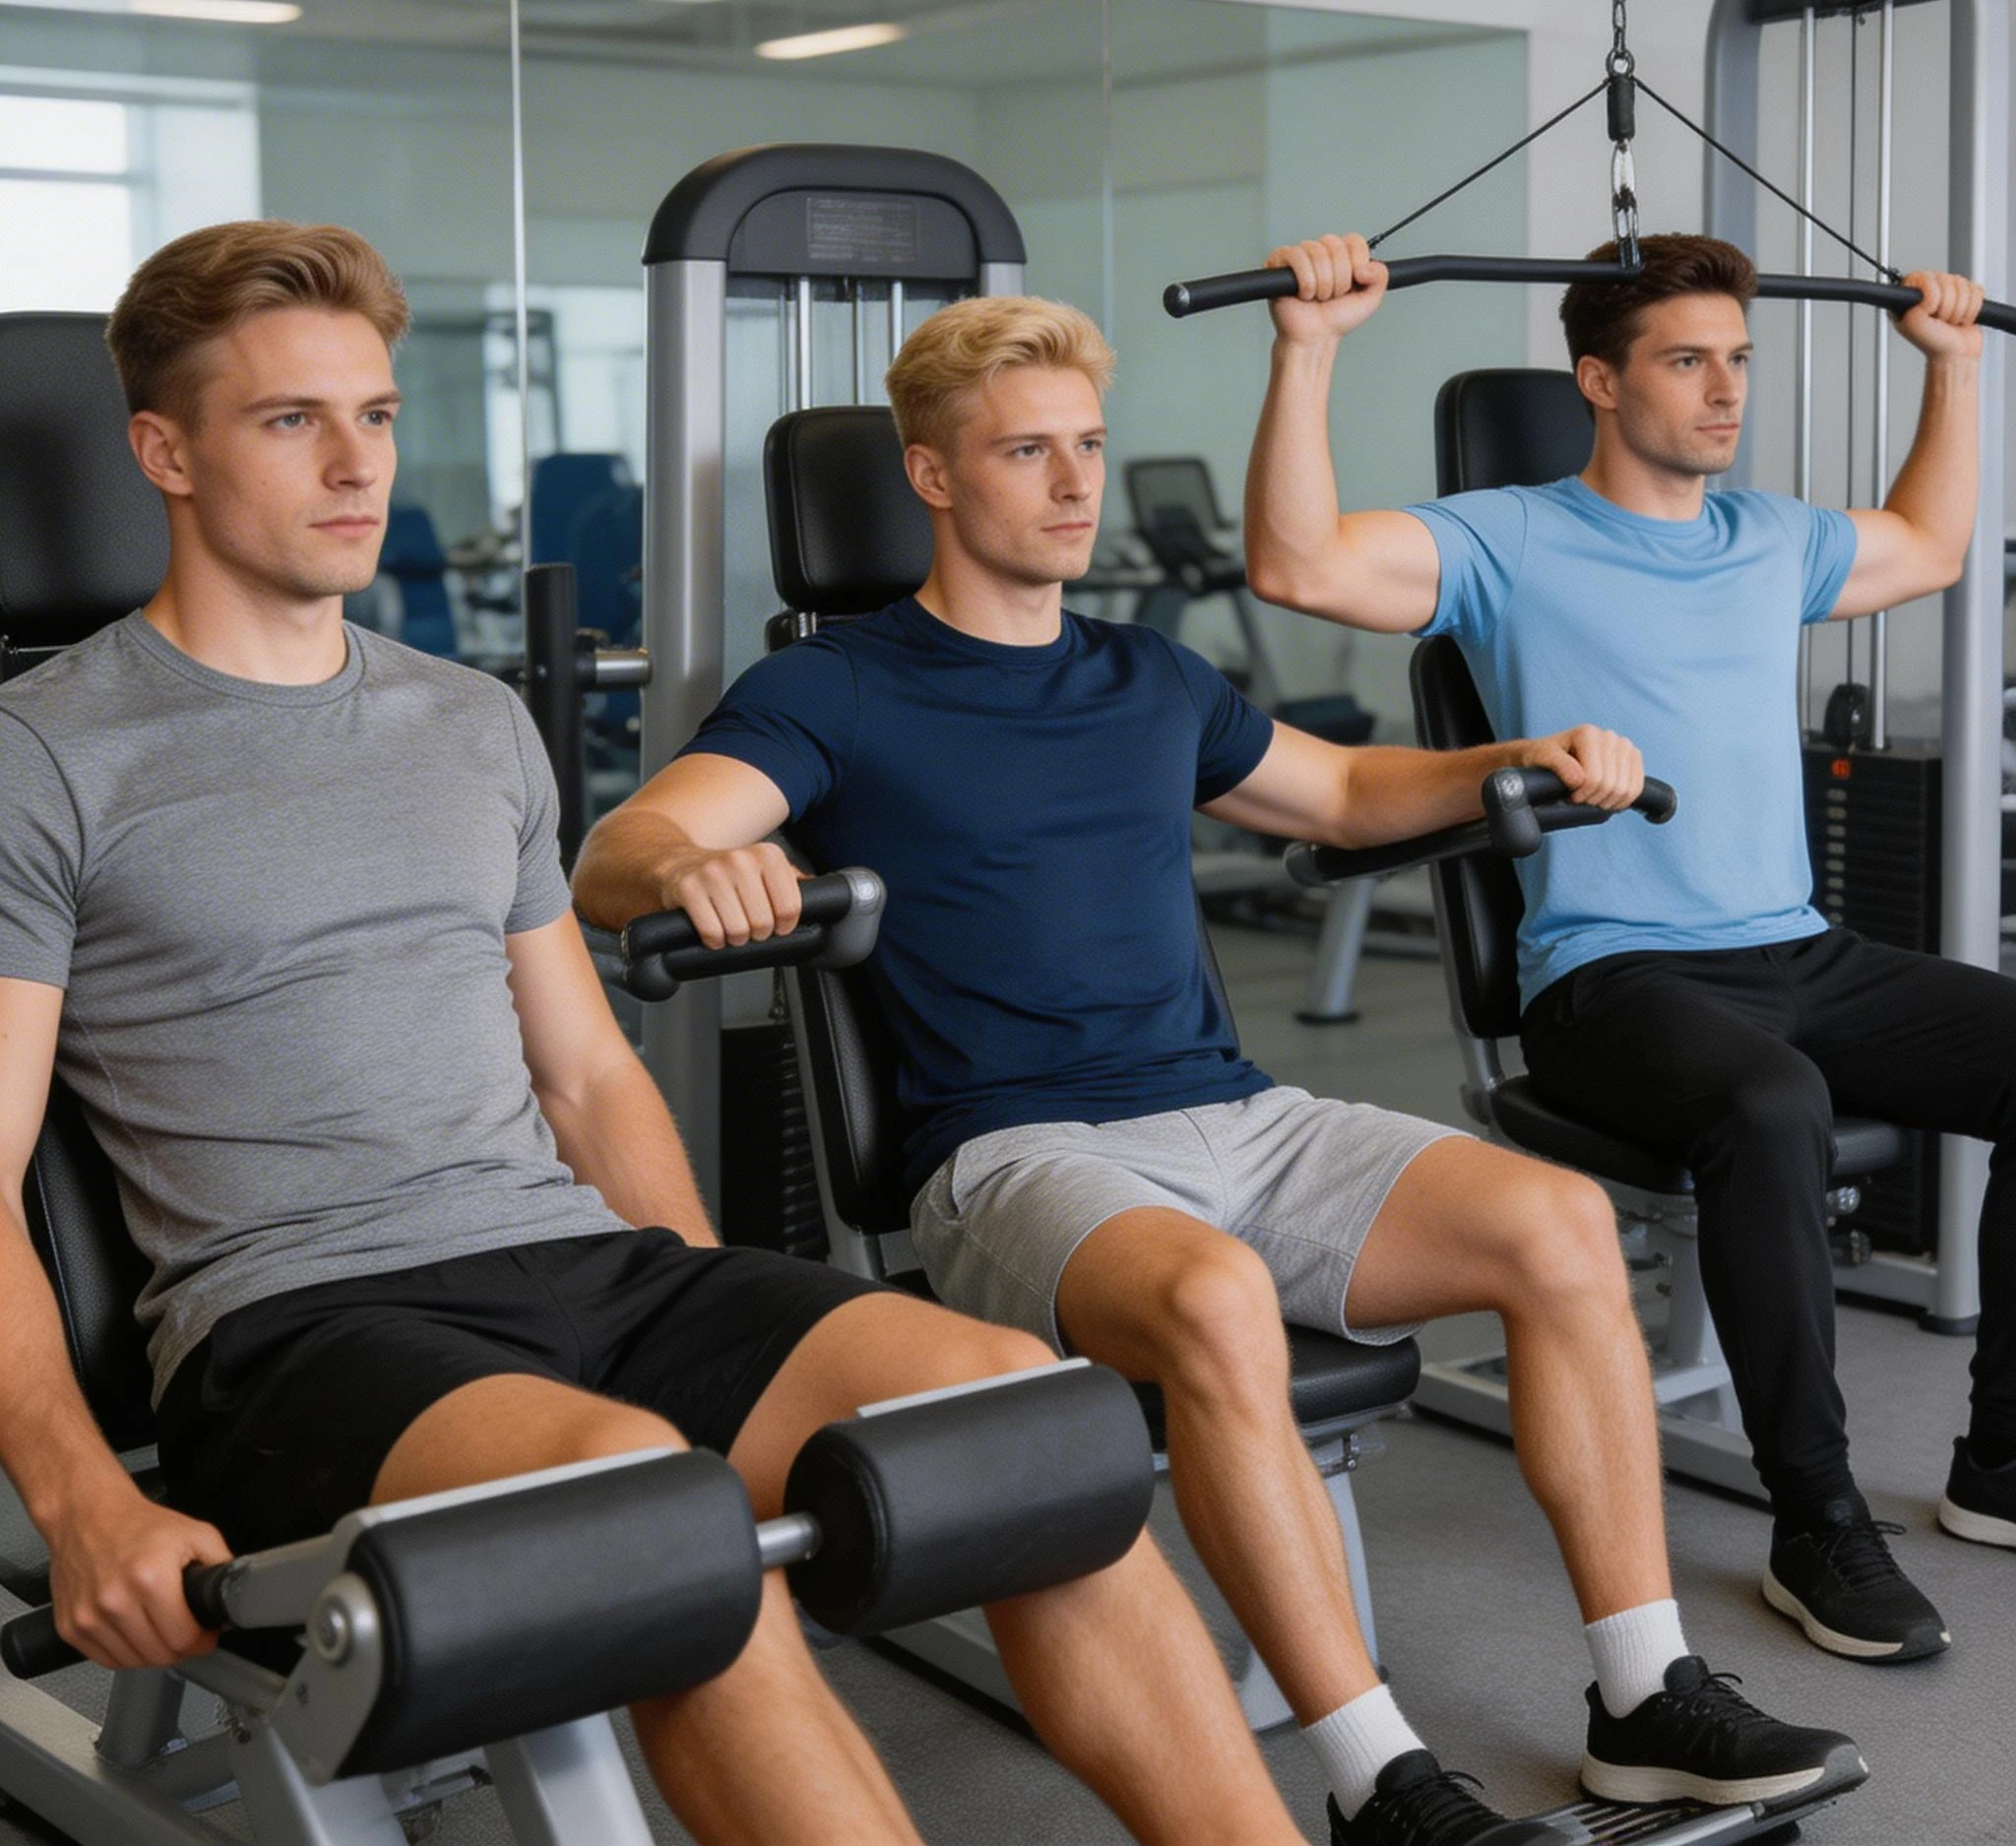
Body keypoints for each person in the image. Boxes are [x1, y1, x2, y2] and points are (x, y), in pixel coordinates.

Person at [0, 221, 1321, 1846]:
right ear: (163, 451)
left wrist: (712, 1306)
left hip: (584, 1265)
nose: (356, 463)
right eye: (291, 421)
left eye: (378, 415)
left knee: (1022, 1419)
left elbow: (582, 1071)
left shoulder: (471, 723)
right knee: (651, 1509)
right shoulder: (51, 756)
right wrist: (80, 1502)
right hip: (300, 1319)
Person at [572, 290, 1864, 1846]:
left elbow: (1345, 792)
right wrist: (687, 869)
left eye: (1089, 449)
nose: (1073, 486)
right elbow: (620, 849)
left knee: (1559, 1224)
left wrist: (1511, 762)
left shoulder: (1148, 676)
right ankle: (1378, 1777)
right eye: (1026, 452)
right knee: (1215, 1298)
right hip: (1015, 1159)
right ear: (930, 477)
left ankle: (1643, 1698)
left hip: (1240, 1116)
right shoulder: (833, 688)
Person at [1238, 226, 2011, 1670]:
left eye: (1737, 360)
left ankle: (2002, 1460)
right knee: (1771, 1105)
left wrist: (1954, 369)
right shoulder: (1507, 537)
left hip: (1796, 951)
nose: (1725, 391)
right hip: (1614, 977)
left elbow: (1935, 545)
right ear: (1599, 379)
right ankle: (1814, 1521)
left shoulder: (1768, 538)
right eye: (1684, 362)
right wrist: (1308, 347)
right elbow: (1293, 564)